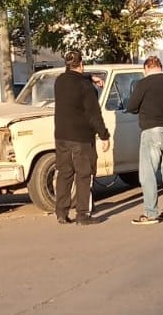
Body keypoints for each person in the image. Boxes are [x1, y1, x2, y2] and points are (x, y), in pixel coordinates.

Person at [53, 50, 110, 225]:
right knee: (84, 174)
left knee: (65, 173)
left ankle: (61, 212)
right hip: (81, 136)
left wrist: (90, 77)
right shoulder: (85, 87)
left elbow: (73, 77)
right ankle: (83, 214)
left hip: (61, 135)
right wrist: (104, 135)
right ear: (82, 64)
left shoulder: (59, 81)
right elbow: (94, 114)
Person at [126, 56, 163, 225]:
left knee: (148, 173)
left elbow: (131, 106)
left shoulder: (143, 84)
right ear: (160, 67)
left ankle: (151, 214)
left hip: (152, 131)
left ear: (147, 68)